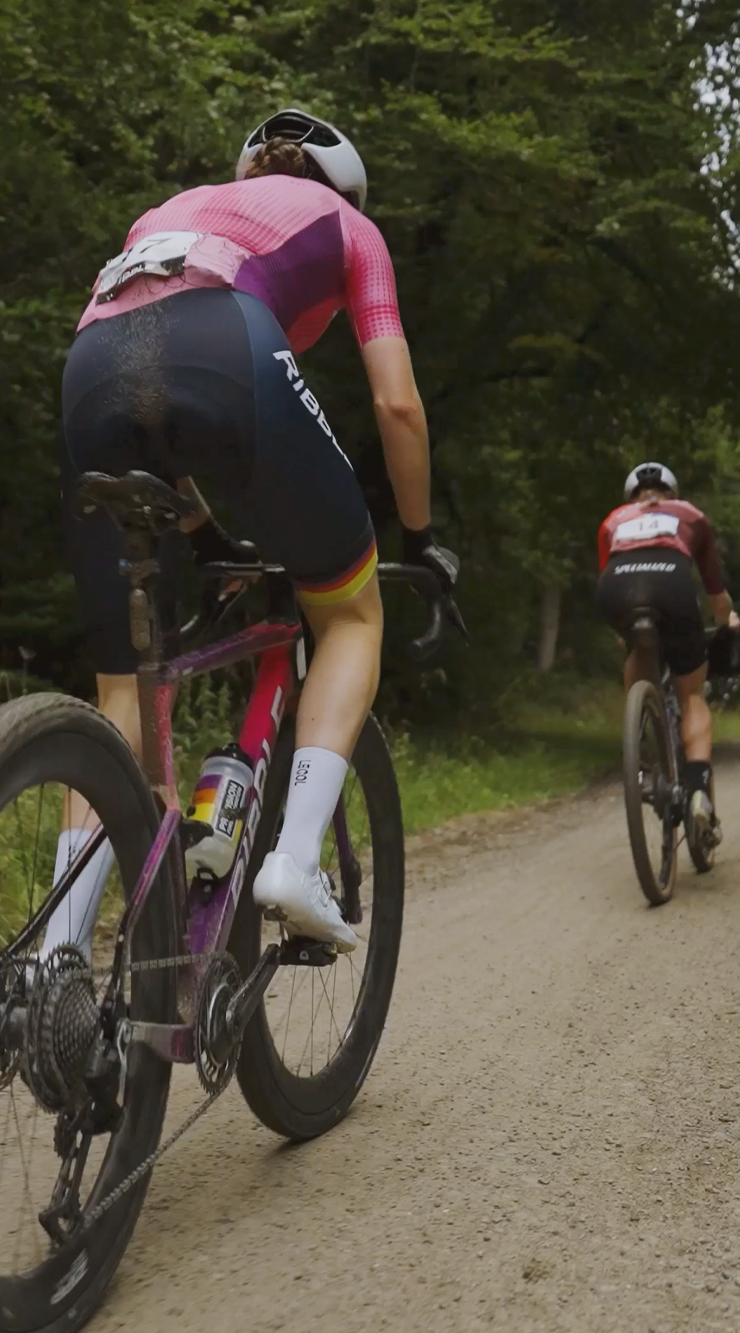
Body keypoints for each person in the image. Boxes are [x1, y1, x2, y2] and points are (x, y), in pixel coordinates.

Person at [46, 109, 459, 954]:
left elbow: (153, 392)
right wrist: (419, 539)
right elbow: (397, 404)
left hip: (90, 363)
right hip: (228, 344)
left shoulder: (169, 212)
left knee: (122, 691)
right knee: (350, 610)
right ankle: (294, 861)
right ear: (341, 188)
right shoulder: (352, 227)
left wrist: (199, 534)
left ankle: (54, 957)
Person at [593, 462, 739, 846]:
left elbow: (606, 572)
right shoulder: (691, 514)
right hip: (671, 583)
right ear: (672, 494)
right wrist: (726, 623)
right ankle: (698, 793)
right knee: (691, 695)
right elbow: (716, 595)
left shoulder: (613, 520)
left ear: (630, 499)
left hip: (617, 589)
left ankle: (638, 734)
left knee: (637, 651)